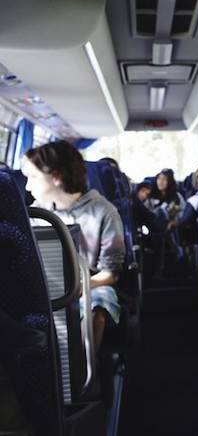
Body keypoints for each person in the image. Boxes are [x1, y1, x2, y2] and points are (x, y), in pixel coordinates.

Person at [22, 140, 125, 352]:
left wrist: (76, 288)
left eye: (33, 177)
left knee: (95, 311)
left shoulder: (104, 212)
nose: (27, 186)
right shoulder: (34, 215)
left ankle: (82, 376)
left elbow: (111, 273)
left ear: (57, 177)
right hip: (45, 285)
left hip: (92, 284)